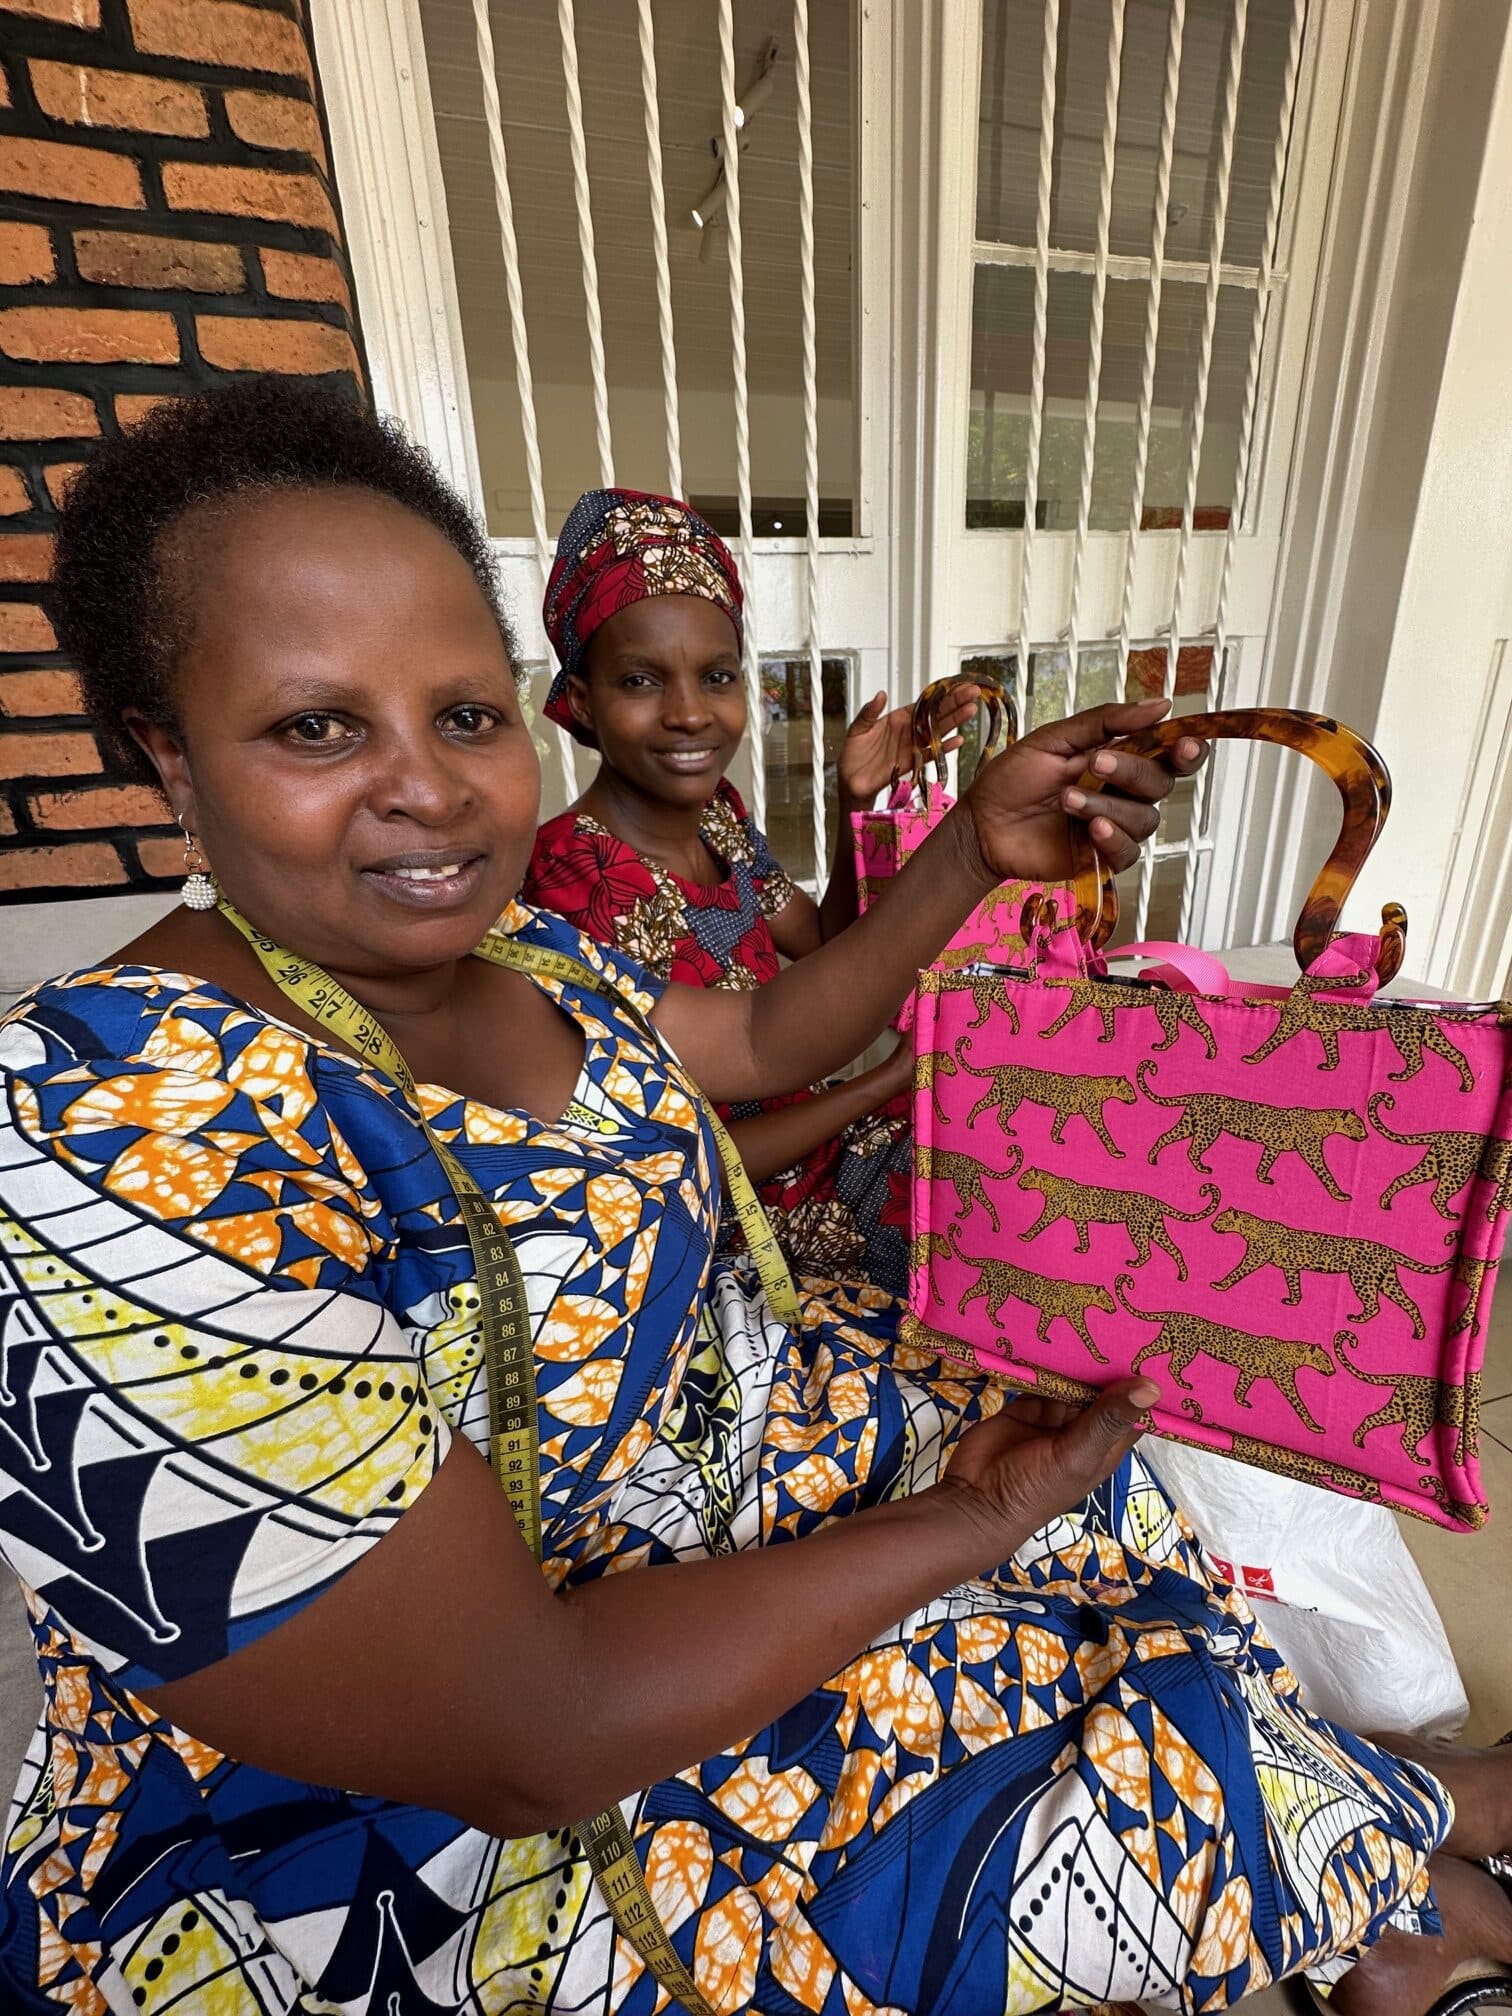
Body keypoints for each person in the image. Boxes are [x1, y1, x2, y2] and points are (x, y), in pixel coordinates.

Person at [0, 377, 1508, 2016]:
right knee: (1044, 1750)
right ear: (166, 753)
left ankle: (1353, 1833)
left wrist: (967, 855)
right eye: (316, 725)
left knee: (1100, 1466)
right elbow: (532, 1732)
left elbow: (765, 1029)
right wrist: (960, 1524)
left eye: (462, 714)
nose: (427, 787)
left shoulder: (516, 949)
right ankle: (1403, 1864)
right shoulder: (104, 1133)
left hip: (686, 1469)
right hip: (419, 1829)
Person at [524, 487, 979, 1293]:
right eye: (639, 681)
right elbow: (681, 1161)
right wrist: (878, 1084)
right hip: (732, 1212)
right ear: (583, 701)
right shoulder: (571, 882)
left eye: (718, 675)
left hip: (820, 1135)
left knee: (1005, 1132)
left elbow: (826, 941)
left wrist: (852, 804)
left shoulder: (718, 819)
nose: (691, 714)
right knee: (984, 1210)